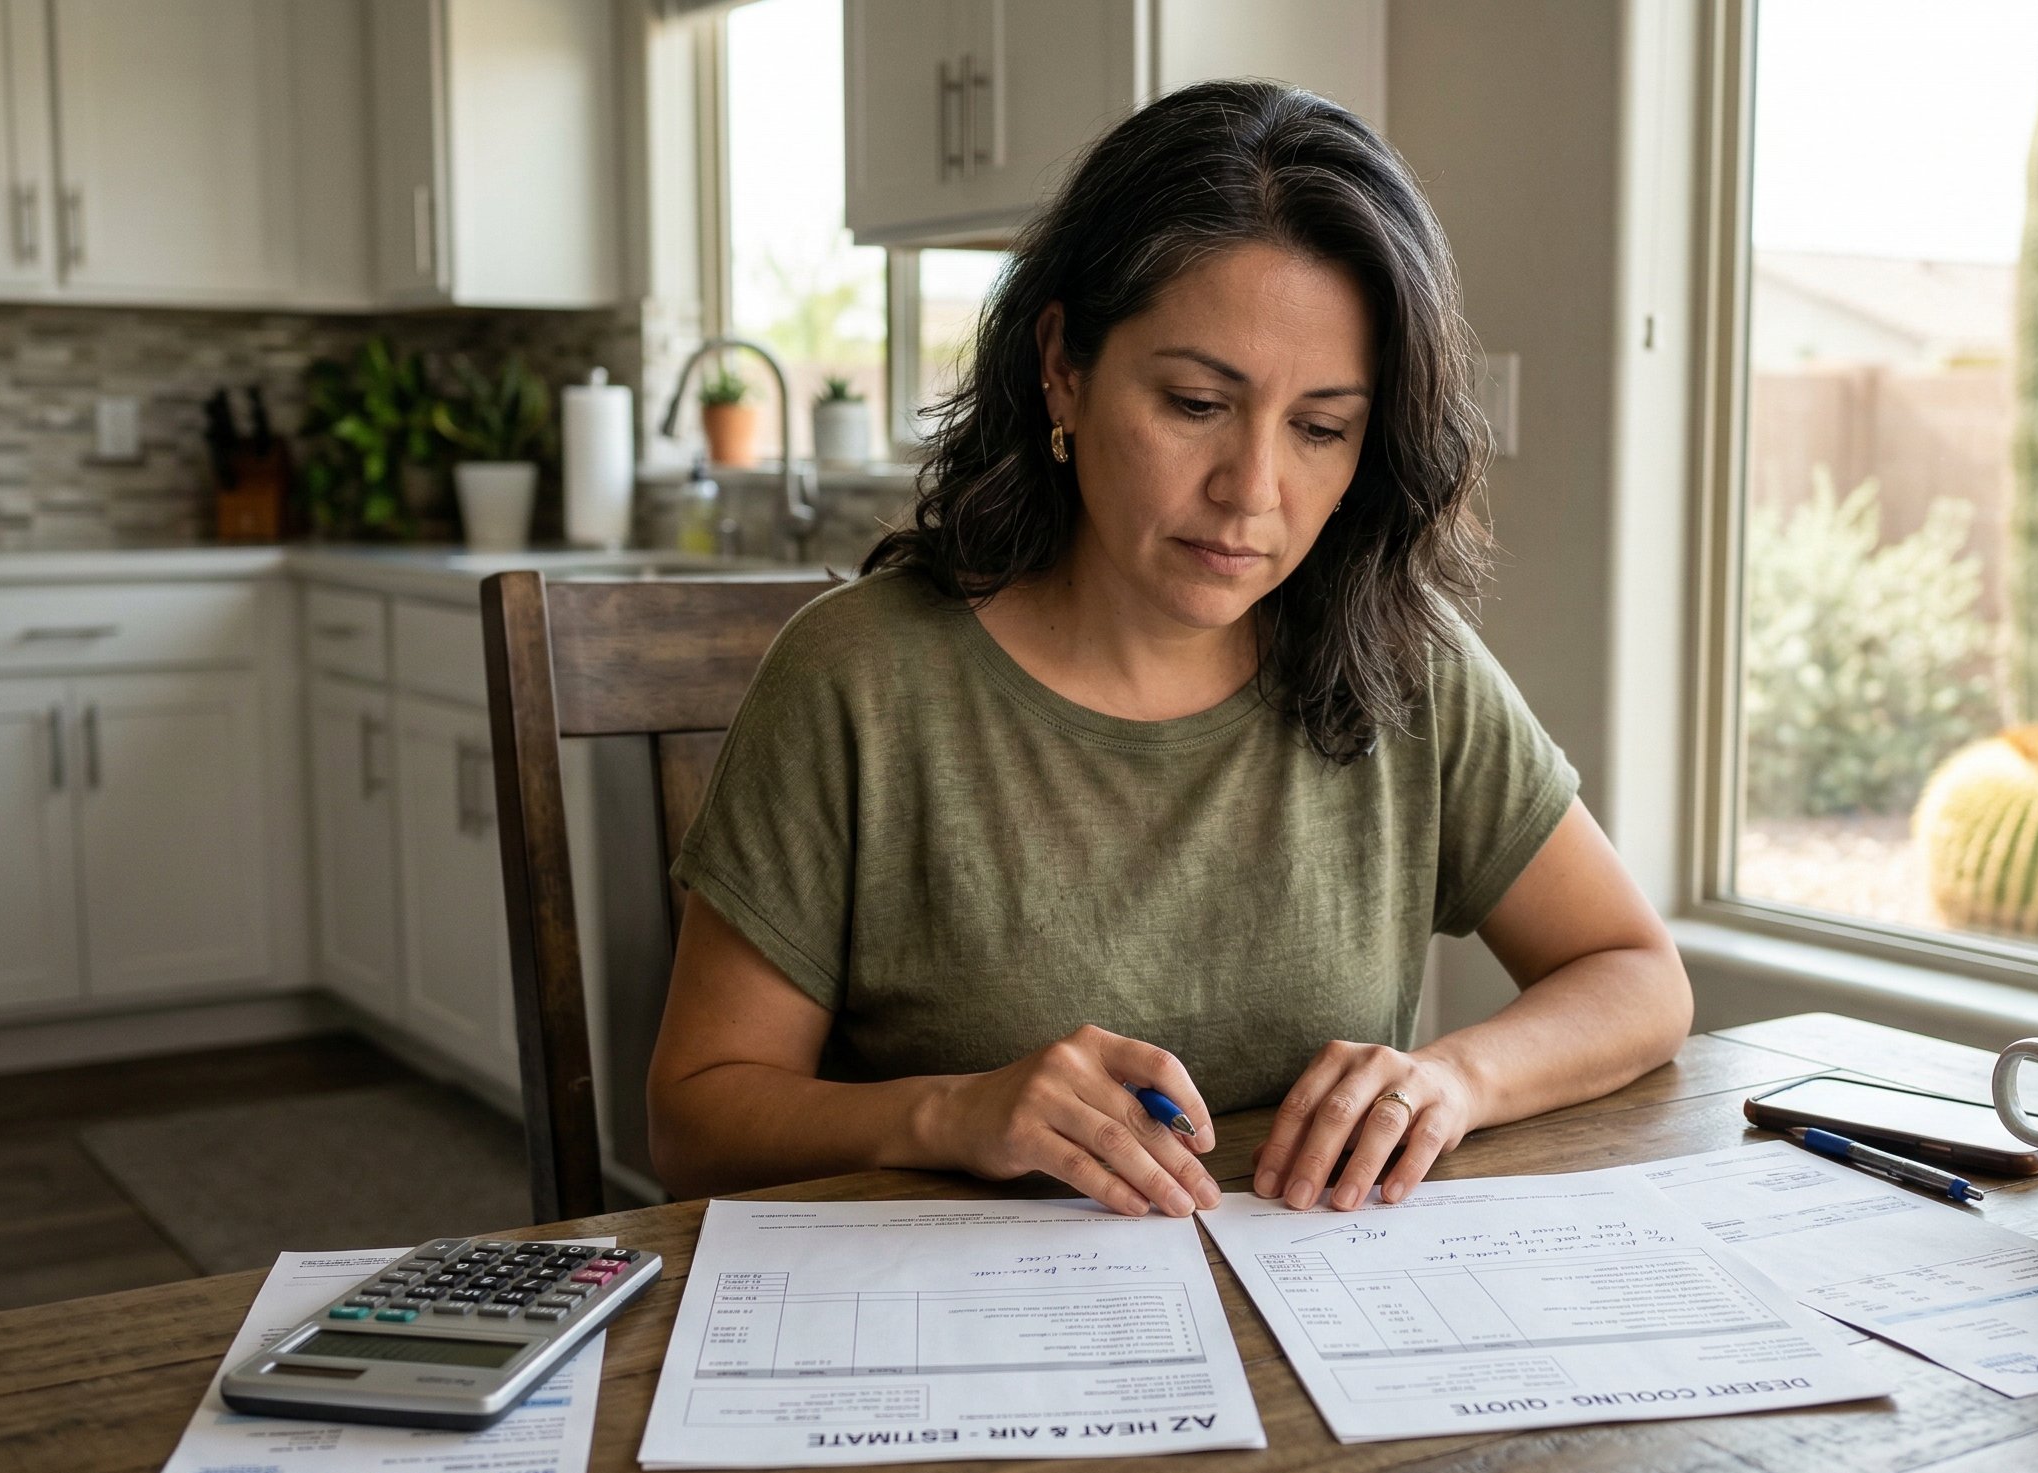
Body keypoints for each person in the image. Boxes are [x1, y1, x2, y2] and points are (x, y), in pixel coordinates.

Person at [649, 79, 1690, 1219]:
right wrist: (949, 1113)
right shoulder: (856, 678)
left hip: (1307, 1343)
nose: (1252, 492)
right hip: (951, 1337)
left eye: (1319, 429)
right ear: (1064, 364)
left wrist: (1450, 1079)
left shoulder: (1401, 666)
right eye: (1196, 402)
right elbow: (695, 1124)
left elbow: (1635, 977)